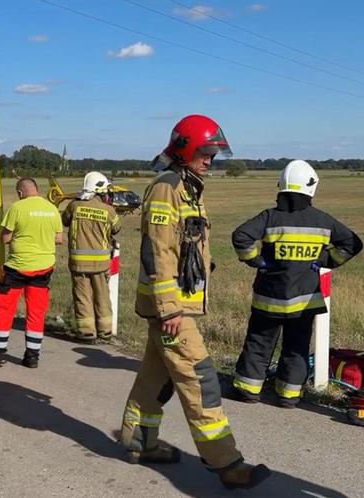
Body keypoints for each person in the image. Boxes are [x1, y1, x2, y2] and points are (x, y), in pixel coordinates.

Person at [119, 115, 270, 489]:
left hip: (171, 306)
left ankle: (138, 440)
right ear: (185, 149)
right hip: (170, 308)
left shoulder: (187, 185)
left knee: (156, 378)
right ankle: (226, 463)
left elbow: (183, 243)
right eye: (205, 152)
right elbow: (157, 251)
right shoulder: (168, 187)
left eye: (213, 153)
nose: (210, 160)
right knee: (199, 378)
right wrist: (170, 306)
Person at [230, 160, 362, 408]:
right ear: (312, 187)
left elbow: (241, 236)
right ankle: (289, 396)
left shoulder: (269, 216)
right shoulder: (322, 220)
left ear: (281, 185)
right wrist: (326, 259)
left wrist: (257, 261)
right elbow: (353, 244)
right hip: (305, 302)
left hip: (269, 299)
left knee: (259, 342)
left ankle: (248, 389)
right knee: (297, 347)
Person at [0, 177, 63, 369]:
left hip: (17, 268)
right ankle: (32, 356)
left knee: (4, 309)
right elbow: (59, 239)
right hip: (43, 268)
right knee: (36, 312)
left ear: (20, 192)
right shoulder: (52, 209)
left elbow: (5, 238)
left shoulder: (17, 208)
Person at [61, 171, 121, 342]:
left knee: (83, 297)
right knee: (102, 296)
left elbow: (65, 221)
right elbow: (117, 228)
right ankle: (105, 331)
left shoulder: (74, 206)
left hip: (79, 263)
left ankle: (87, 332)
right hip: (101, 263)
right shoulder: (108, 210)